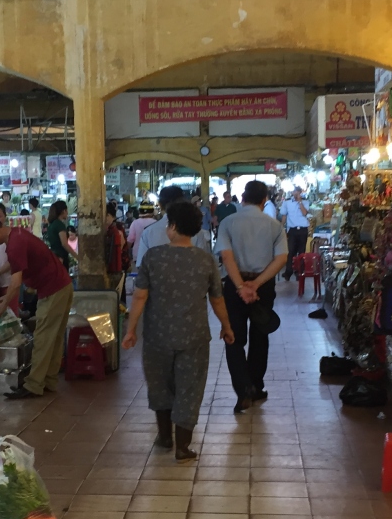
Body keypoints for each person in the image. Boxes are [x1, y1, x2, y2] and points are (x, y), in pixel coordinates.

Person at [122, 202, 234, 461]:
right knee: (189, 388)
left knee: (160, 385)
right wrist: (226, 327)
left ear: (172, 226)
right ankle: (183, 446)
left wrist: (131, 330)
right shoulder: (206, 260)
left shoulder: (153, 257)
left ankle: (164, 437)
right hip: (194, 336)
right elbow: (217, 299)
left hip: (157, 336)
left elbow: (139, 296)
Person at [0, 215, 74, 398]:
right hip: (61, 285)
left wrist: (4, 303)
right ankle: (49, 380)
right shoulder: (17, 235)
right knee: (54, 337)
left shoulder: (15, 244)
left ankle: (34, 385)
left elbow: (15, 283)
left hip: (53, 289)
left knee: (43, 338)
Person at [216, 180, 287, 413]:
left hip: (234, 285)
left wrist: (240, 286)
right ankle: (255, 386)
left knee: (232, 337)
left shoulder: (228, 222)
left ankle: (243, 388)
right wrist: (255, 284)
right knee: (260, 335)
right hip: (263, 287)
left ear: (243, 198)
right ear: (265, 200)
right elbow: (281, 259)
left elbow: (226, 257)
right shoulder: (274, 225)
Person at [135, 185, 214, 265]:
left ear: (160, 205)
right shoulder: (196, 231)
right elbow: (204, 262)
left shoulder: (148, 232)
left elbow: (141, 265)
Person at [280, 186, 311, 280]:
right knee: (290, 251)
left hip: (303, 229)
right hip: (292, 230)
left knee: (301, 252)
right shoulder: (287, 203)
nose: (296, 194)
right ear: (292, 192)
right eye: (294, 192)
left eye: (298, 192)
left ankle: (300, 272)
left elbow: (304, 213)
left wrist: (300, 202)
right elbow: (284, 216)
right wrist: (281, 227)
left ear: (301, 193)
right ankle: (288, 271)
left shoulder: (305, 202)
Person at [104, 201, 130, 293]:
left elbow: (121, 246)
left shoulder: (116, 229)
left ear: (110, 216)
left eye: (106, 215)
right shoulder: (109, 228)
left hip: (118, 266)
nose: (104, 218)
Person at [44, 200, 72, 273]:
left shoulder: (51, 224)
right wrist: (76, 256)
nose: (67, 213)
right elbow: (64, 244)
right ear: (63, 211)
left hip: (55, 256)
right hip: (61, 257)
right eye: (67, 210)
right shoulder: (59, 225)